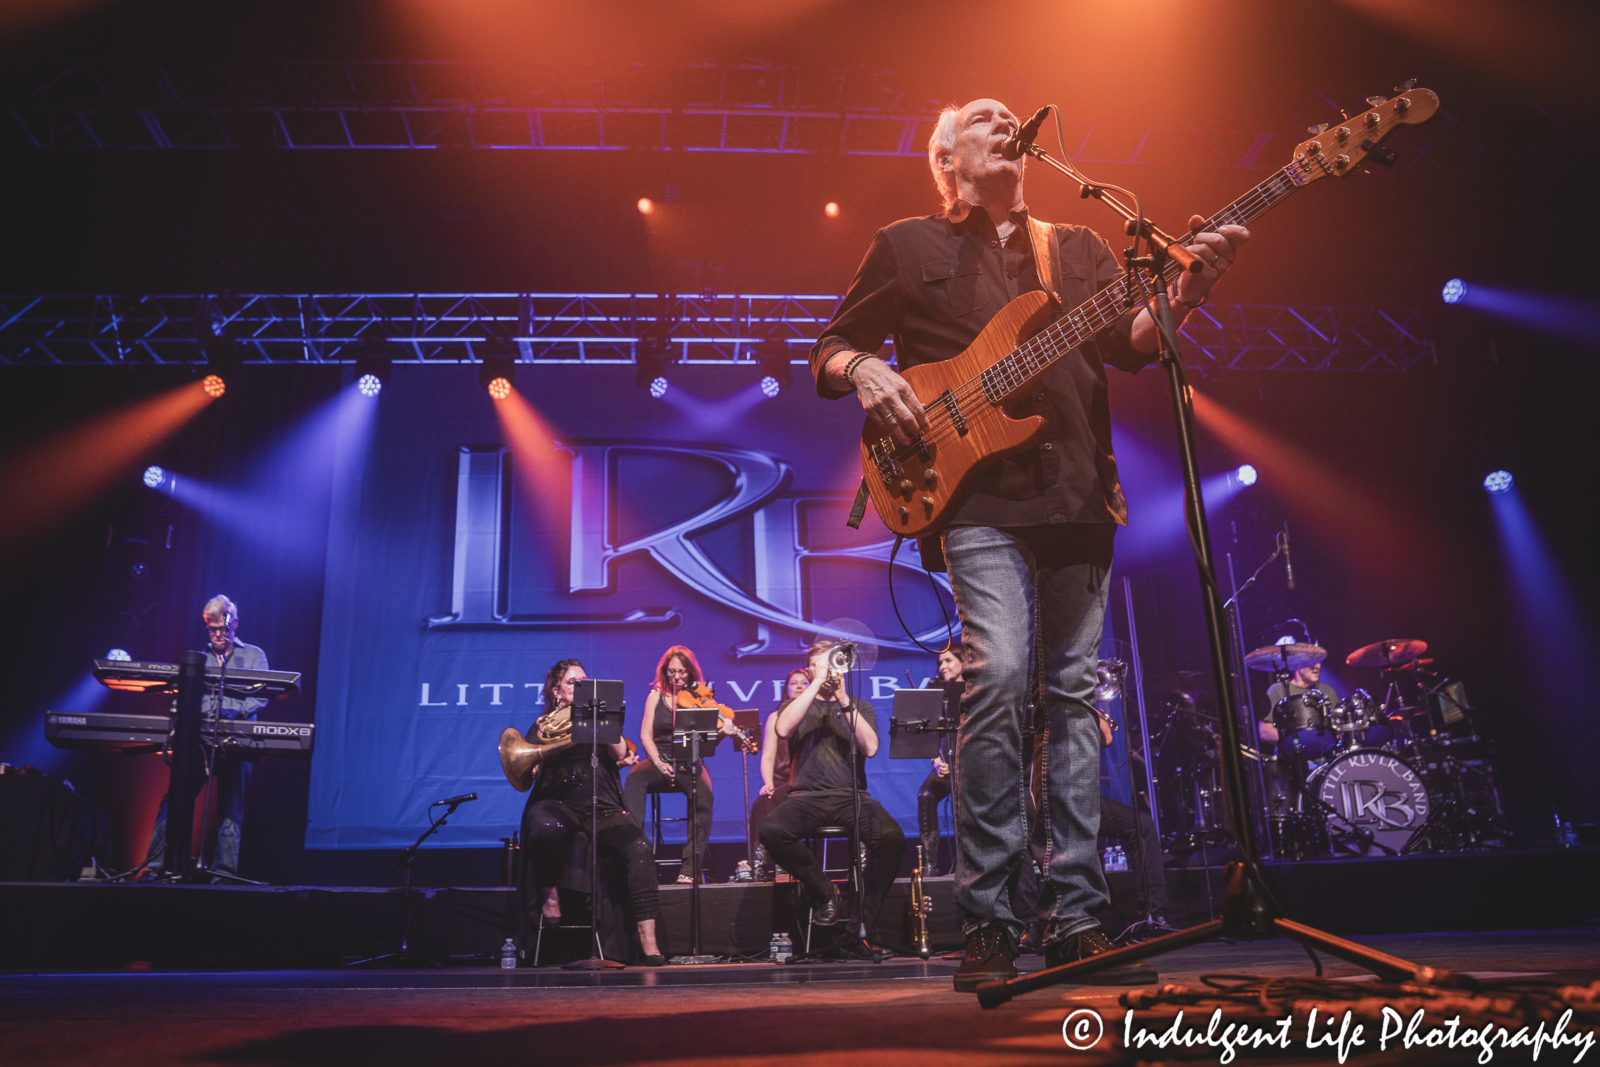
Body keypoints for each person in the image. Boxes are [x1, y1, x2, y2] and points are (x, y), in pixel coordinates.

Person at [807, 97, 1248, 991]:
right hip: (972, 497)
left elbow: (1132, 345)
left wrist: (1187, 293)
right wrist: (867, 369)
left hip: (1081, 493)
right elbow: (830, 348)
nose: (1005, 119)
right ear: (947, 159)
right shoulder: (904, 245)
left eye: (1011, 114)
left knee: (1073, 697)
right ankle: (993, 921)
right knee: (1002, 675)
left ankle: (1079, 914)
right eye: (982, 117)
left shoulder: (1080, 246)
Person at [759, 640, 906, 960]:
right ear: (810, 669)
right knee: (771, 830)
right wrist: (815, 685)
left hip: (849, 797)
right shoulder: (794, 706)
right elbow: (783, 729)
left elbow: (871, 748)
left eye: (832, 664)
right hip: (805, 797)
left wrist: (841, 696)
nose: (828, 671)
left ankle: (858, 927)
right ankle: (825, 890)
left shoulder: (858, 706)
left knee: (892, 839)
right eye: (820, 665)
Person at [520, 658, 664, 965]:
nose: (580, 686)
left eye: (584, 681)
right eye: (573, 682)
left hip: (602, 803)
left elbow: (622, 754)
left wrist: (605, 722)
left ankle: (647, 938)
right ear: (557, 692)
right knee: (545, 827)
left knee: (639, 847)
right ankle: (550, 894)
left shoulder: (602, 719)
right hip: (557, 801)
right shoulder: (544, 724)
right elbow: (528, 767)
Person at [142, 594, 267, 877]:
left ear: (235, 623)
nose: (218, 635)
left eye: (223, 628)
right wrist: (210, 710)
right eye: (212, 630)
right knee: (176, 798)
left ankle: (224, 875)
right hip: (199, 743)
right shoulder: (199, 659)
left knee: (231, 808)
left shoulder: (254, 655)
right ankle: (155, 867)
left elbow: (261, 696)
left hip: (238, 742)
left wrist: (234, 711)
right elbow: (189, 699)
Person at [623, 646, 738, 884]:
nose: (677, 677)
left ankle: (690, 868)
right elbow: (646, 735)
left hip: (690, 761)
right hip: (659, 758)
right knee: (634, 779)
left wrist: (724, 732)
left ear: (691, 673)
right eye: (672, 672)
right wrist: (658, 761)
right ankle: (637, 859)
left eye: (682, 672)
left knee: (704, 796)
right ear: (665, 672)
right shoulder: (655, 696)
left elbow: (708, 741)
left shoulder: (698, 699)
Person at [748, 668, 807, 866]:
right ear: (786, 689)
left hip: (811, 786)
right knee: (761, 805)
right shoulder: (775, 717)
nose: (798, 686)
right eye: (793, 683)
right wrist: (769, 784)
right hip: (784, 784)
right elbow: (768, 756)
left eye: (803, 683)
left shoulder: (817, 712)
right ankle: (759, 863)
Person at [915, 645, 964, 877]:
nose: (942, 666)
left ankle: (969, 865)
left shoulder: (977, 692)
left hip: (971, 767)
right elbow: (929, 735)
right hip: (946, 765)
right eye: (940, 663)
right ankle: (929, 868)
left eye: (949, 661)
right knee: (926, 795)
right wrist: (936, 761)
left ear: (964, 661)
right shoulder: (935, 691)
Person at [1258, 656, 1338, 748]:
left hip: (1327, 754)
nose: (1317, 666)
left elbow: (1338, 728)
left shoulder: (1327, 690)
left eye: (1318, 662)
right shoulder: (1278, 690)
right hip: (1292, 755)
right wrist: (1306, 741)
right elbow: (1265, 733)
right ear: (1297, 664)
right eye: (1311, 662)